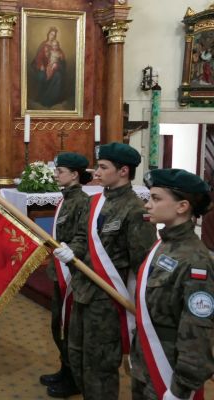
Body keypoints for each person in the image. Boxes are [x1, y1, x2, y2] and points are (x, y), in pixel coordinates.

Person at [53, 142, 157, 399]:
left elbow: (142, 263)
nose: (96, 172)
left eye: (102, 167)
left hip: (109, 300)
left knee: (100, 367)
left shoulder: (134, 210)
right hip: (83, 293)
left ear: (123, 171)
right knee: (77, 356)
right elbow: (81, 237)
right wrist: (71, 250)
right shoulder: (94, 202)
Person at [130, 168, 214, 400]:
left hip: (168, 370)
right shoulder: (163, 244)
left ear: (182, 206)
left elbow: (197, 334)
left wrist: (180, 390)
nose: (148, 205)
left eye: (156, 199)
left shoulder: (195, 261)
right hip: (145, 362)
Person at [40, 152, 90, 398]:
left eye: (60, 171)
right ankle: (64, 369)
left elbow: (81, 237)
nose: (56, 174)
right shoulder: (66, 198)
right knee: (58, 324)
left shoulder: (81, 201)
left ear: (75, 175)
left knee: (69, 326)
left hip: (71, 274)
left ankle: (73, 378)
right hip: (59, 271)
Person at [31, 27, 66, 108]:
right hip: (44, 68)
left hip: (54, 67)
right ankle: (41, 99)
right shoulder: (43, 45)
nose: (52, 36)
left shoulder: (55, 45)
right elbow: (38, 58)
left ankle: (52, 100)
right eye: (51, 34)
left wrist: (57, 65)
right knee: (41, 76)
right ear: (48, 34)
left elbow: (61, 58)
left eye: (54, 35)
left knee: (58, 76)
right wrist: (41, 66)